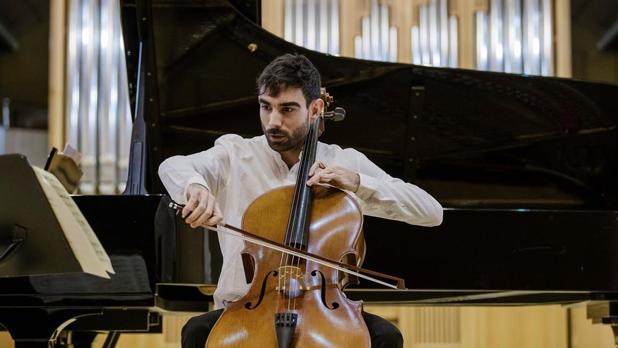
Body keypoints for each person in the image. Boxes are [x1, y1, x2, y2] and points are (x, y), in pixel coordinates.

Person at [158, 53, 443, 348]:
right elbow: (172, 165)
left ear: (316, 109)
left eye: (288, 109)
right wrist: (195, 187)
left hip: (321, 310)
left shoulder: (343, 161)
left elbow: (432, 211)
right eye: (265, 107)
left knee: (386, 337)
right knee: (196, 331)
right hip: (243, 308)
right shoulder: (235, 153)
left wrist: (358, 183)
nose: (273, 121)